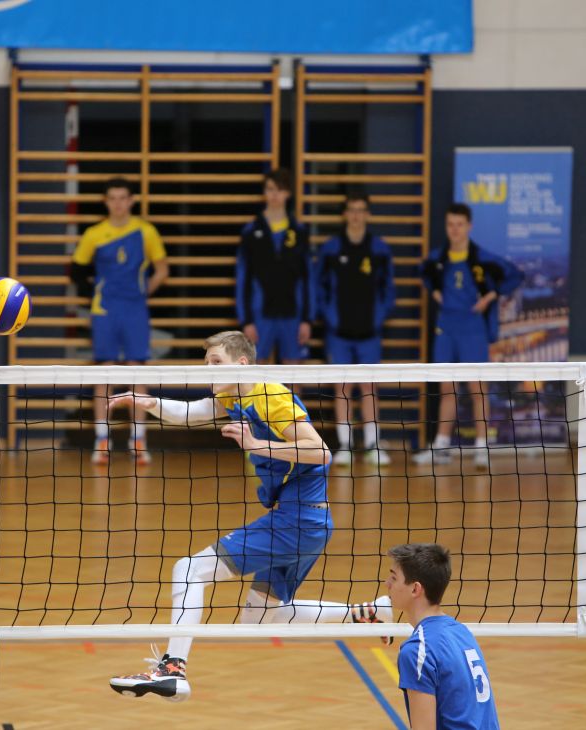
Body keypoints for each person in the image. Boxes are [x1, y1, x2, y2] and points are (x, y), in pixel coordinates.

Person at [107, 330, 391, 701]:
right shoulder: (234, 394)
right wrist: (147, 402)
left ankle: (172, 669)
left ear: (242, 364)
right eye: (206, 363)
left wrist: (257, 444)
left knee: (189, 570)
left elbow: (320, 451)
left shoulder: (271, 396)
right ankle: (367, 612)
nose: (209, 370)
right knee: (257, 620)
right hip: (306, 524)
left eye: (216, 362)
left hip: (296, 521)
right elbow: (192, 412)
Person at [414, 203, 523, 469]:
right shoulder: (437, 259)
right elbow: (424, 273)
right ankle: (441, 447)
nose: (455, 230)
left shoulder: (482, 258)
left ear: (469, 226)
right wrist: (435, 292)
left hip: (473, 326)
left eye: (459, 224)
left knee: (477, 387)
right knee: (446, 387)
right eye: (450, 224)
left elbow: (515, 275)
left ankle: (482, 448)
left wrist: (490, 296)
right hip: (446, 326)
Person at [71, 177, 169, 466]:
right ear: (106, 201)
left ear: (131, 200)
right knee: (104, 373)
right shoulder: (94, 234)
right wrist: (95, 293)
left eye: (122, 197)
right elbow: (77, 270)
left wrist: (142, 292)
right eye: (112, 198)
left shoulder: (146, 231)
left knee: (138, 372)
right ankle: (102, 440)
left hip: (135, 309)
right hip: (105, 311)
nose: (117, 203)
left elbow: (162, 269)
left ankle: (138, 439)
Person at [316, 191, 396, 466]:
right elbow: (319, 287)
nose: (356, 215)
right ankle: (346, 445)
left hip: (369, 333)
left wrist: (377, 319)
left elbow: (388, 290)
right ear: (345, 214)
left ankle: (373, 445)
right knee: (342, 387)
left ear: (367, 214)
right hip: (338, 334)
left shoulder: (380, 250)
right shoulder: (331, 249)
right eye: (351, 209)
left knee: (369, 387)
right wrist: (330, 318)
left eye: (361, 210)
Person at [386, 543, 499, 730]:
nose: (387, 583)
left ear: (415, 589)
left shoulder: (416, 651)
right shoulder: (461, 632)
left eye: (394, 577)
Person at [236, 169, 314, 364]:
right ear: (264, 192)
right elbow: (243, 278)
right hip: (260, 314)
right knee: (255, 370)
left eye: (280, 189)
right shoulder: (250, 231)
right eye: (270, 189)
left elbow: (308, 278)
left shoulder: (300, 232)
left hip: (293, 315)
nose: (274, 194)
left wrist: (307, 319)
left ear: (288, 193)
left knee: (294, 373)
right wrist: (246, 320)